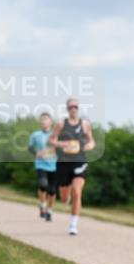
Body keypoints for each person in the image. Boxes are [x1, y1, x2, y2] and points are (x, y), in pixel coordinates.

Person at [50, 97, 96, 236]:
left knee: (77, 191)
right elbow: (52, 140)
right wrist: (63, 144)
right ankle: (66, 195)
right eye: (71, 107)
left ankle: (73, 225)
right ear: (67, 109)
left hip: (79, 161)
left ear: (78, 108)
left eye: (76, 106)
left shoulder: (85, 125)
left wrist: (85, 147)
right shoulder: (61, 124)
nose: (73, 109)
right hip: (63, 163)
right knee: (64, 199)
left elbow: (91, 142)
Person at [28, 112, 58, 222]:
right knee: (43, 185)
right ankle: (43, 205)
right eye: (42, 119)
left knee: (52, 191)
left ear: (51, 121)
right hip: (41, 164)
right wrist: (36, 152)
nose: (44, 121)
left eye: (46, 119)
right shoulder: (35, 135)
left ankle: (50, 211)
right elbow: (30, 147)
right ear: (40, 122)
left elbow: (61, 146)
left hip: (54, 165)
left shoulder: (56, 135)